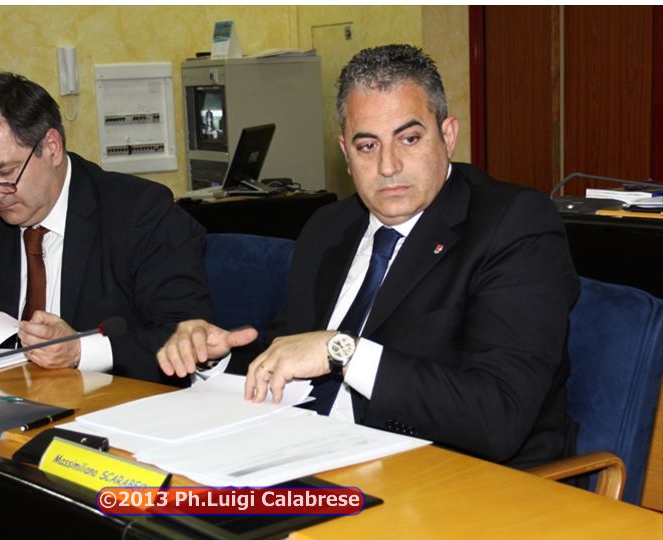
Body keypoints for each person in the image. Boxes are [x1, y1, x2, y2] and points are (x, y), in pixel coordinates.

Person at [157, 44, 580, 469]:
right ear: (345, 152)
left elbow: (498, 416)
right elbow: (294, 351)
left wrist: (344, 352)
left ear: (448, 135)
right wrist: (216, 359)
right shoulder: (329, 227)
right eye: (367, 146)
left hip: (448, 477)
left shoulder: (513, 225)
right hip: (308, 455)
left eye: (409, 139)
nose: (388, 166)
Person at [0, 73, 212, 385]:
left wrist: (80, 351)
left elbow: (186, 334)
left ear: (52, 147)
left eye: (5, 172)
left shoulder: (139, 212)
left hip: (113, 406)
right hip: (6, 405)